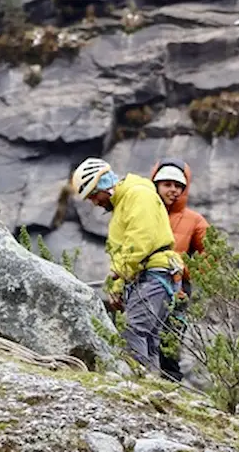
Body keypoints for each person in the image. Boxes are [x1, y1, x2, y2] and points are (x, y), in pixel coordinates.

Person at [72, 157, 185, 374]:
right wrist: (117, 287)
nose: (95, 202)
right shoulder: (123, 204)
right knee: (150, 336)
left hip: (154, 272)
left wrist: (119, 274)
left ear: (104, 185)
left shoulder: (137, 195)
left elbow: (140, 240)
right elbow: (122, 250)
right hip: (148, 274)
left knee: (133, 330)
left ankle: (139, 383)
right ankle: (153, 385)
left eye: (94, 195)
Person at [150, 157, 209, 382]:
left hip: (178, 288)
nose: (173, 190)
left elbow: (211, 257)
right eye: (167, 184)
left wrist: (183, 269)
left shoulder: (195, 221)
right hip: (140, 282)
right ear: (155, 184)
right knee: (138, 335)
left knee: (170, 341)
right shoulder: (142, 213)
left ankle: (170, 387)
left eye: (178, 186)